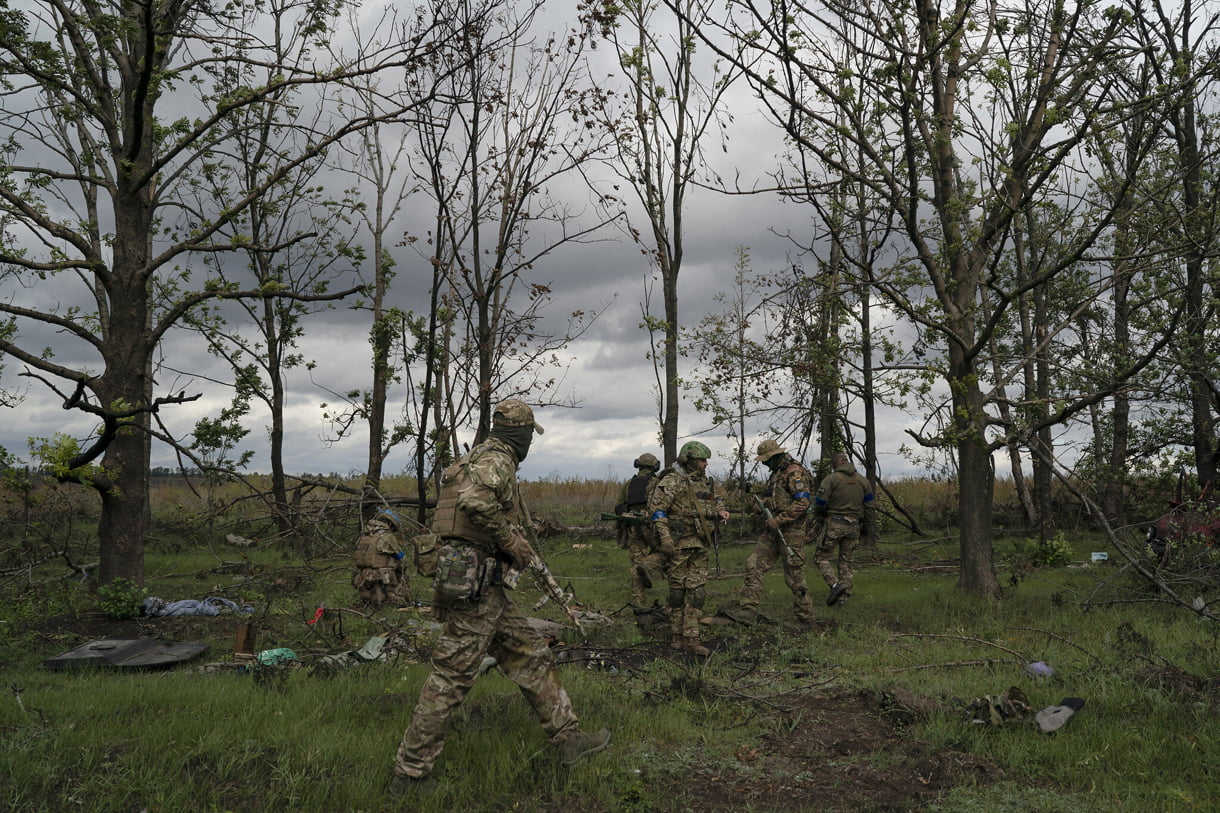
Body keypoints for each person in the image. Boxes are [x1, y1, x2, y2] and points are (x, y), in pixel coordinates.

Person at [391, 399, 610, 796]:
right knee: (451, 677)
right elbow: (474, 503)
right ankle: (410, 775)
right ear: (521, 432)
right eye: (529, 433)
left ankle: (569, 738)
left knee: (530, 656)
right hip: (476, 586)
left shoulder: (474, 457)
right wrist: (510, 540)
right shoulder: (497, 459)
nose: (529, 440)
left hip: (482, 585)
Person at [647, 440, 729, 657]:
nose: (705, 464)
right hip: (678, 545)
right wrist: (665, 539)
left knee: (696, 592)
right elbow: (657, 512)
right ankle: (677, 637)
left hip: (699, 544)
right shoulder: (672, 481)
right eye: (702, 460)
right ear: (689, 460)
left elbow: (716, 499)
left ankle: (691, 638)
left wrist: (721, 511)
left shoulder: (703, 482)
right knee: (677, 592)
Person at [724, 440, 817, 628]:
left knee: (794, 572)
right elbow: (776, 498)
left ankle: (806, 618)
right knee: (754, 563)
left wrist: (780, 520)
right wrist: (761, 505)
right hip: (772, 530)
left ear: (775, 456)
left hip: (790, 530)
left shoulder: (794, 472)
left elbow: (802, 503)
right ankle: (748, 608)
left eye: (766, 460)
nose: (764, 464)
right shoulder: (777, 474)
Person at [812, 452, 876, 606]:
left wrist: (818, 514)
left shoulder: (831, 479)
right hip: (853, 526)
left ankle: (835, 585)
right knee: (845, 562)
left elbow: (820, 502)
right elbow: (869, 506)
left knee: (821, 557)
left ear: (835, 464)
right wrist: (867, 525)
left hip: (834, 523)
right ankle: (844, 599)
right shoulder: (863, 481)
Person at [614, 452, 666, 606]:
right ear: (655, 467)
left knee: (636, 562)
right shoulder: (658, 483)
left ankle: (638, 600)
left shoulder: (629, 484)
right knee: (664, 553)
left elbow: (618, 507)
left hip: (633, 527)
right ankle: (648, 565)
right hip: (652, 527)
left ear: (638, 465)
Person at [351, 507, 410, 608]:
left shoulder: (364, 536)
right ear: (390, 524)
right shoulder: (387, 537)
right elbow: (402, 559)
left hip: (362, 578)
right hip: (381, 578)